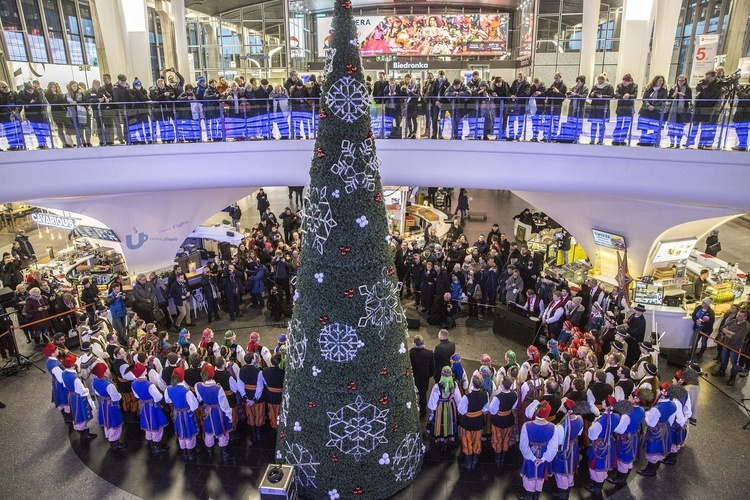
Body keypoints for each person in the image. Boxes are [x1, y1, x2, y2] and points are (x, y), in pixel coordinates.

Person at [638, 383, 682, 477]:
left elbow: (651, 423)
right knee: (660, 449)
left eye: (659, 389)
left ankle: (650, 470)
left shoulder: (657, 408)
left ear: (663, 392)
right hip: (665, 428)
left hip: (655, 431)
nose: (657, 390)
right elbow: (671, 419)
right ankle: (655, 468)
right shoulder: (673, 404)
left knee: (653, 450)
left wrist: (646, 415)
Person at [518, 401, 558, 500]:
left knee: (529, 474)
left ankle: (528, 496)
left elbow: (523, 445)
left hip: (530, 451)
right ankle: (536, 495)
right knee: (541, 473)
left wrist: (531, 457)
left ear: (536, 411)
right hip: (544, 452)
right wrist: (544, 458)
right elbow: (554, 447)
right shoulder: (553, 427)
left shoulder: (527, 425)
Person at [195, 364, 233, 463]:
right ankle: (225, 454)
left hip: (206, 411)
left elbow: (200, 399)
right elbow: (224, 404)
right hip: (218, 412)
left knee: (208, 432)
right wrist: (229, 415)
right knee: (222, 432)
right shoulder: (217, 388)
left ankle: (210, 452)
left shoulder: (198, 385)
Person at [609, 390, 648, 485]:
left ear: (635, 399)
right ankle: (625, 477)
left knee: (623, 459)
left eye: (630, 396)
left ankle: (620, 479)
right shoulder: (642, 410)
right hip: (634, 437)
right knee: (629, 459)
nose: (629, 397)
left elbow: (619, 429)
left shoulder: (627, 414)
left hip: (625, 439)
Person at [131, 362, 169, 455]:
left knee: (147, 426)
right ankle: (157, 446)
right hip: (153, 407)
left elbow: (136, 395)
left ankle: (150, 443)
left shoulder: (133, 383)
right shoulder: (149, 384)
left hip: (144, 406)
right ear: (143, 371)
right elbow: (158, 397)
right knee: (156, 425)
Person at [551, 399, 585, 499]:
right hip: (574, 447)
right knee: (571, 469)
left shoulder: (561, 426)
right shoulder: (579, 418)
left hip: (564, 450)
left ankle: (563, 492)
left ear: (566, 410)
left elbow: (558, 442)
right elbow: (579, 433)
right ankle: (569, 486)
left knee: (561, 472)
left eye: (563, 407)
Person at [163, 367, 199, 462]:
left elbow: (168, 400)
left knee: (181, 432)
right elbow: (194, 405)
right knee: (189, 432)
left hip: (177, 413)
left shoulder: (168, 389)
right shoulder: (186, 391)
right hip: (187, 414)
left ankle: (184, 453)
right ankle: (191, 454)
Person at [61, 353, 98, 443]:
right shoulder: (75, 378)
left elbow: (64, 384)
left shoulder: (64, 373)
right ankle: (84, 434)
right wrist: (87, 390)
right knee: (80, 414)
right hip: (79, 398)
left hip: (72, 396)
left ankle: (83, 431)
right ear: (73, 365)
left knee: (75, 413)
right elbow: (82, 390)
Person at [91, 362, 127, 451]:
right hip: (111, 405)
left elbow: (97, 392)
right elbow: (115, 397)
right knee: (114, 422)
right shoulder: (109, 384)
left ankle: (109, 436)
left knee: (107, 422)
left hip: (103, 404)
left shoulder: (94, 381)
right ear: (104, 372)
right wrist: (120, 395)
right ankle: (114, 442)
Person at [457, 374, 489, 469]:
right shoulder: (485, 394)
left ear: (472, 384)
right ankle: (474, 462)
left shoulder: (467, 397)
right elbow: (486, 408)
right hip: (479, 421)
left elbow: (461, 410)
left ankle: (468, 463)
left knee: (467, 442)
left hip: (467, 422)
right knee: (477, 441)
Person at [427, 366, 461, 450]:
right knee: (450, 420)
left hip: (440, 407)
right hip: (450, 406)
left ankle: (441, 437)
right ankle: (450, 435)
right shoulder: (454, 384)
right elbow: (458, 398)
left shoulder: (437, 386)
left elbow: (433, 401)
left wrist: (432, 410)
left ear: (442, 374)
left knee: (440, 421)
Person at [687, 70, 723, 149]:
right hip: (699, 107)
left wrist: (705, 89)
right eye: (706, 78)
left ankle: (703, 143)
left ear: (713, 77)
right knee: (695, 124)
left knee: (706, 126)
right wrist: (702, 85)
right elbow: (697, 89)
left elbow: (710, 96)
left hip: (709, 108)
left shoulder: (718, 85)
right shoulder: (705, 82)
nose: (707, 80)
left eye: (709, 78)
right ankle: (690, 141)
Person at [712, 310, 749, 386]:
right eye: (738, 315)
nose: (737, 316)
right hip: (726, 344)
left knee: (734, 363)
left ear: (745, 317)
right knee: (724, 359)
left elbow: (736, 337)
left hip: (735, 347)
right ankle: (722, 371)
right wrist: (730, 333)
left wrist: (727, 332)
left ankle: (732, 377)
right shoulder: (733, 321)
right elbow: (722, 328)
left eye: (740, 316)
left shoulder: (745, 327)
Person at [488, 376, 518, 469]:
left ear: (502, 385)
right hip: (509, 419)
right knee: (506, 439)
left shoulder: (497, 398)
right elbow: (513, 407)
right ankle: (503, 459)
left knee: (497, 439)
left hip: (498, 420)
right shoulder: (515, 394)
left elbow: (492, 411)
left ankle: (497, 460)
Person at [409, 335, 434, 419]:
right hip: (424, 378)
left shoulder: (411, 353)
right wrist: (429, 375)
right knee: (423, 396)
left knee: (413, 395)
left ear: (415, 343)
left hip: (414, 378)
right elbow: (432, 367)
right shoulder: (429, 353)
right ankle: (423, 412)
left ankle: (412, 411)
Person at [666, 74, 692, 148]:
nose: (680, 82)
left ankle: (678, 142)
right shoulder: (673, 88)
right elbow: (668, 99)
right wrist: (673, 95)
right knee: (672, 126)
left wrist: (683, 95)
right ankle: (671, 142)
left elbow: (689, 99)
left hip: (682, 110)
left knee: (680, 127)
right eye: (679, 80)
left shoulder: (687, 89)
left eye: (682, 81)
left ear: (685, 81)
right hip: (673, 110)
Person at [587, 74, 614, 145]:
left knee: (602, 125)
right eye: (599, 81)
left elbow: (611, 96)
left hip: (603, 108)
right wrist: (592, 94)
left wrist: (602, 96)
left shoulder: (609, 87)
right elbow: (589, 96)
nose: (600, 82)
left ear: (604, 80)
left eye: (601, 81)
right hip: (594, 108)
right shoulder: (595, 86)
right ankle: (592, 139)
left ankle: (600, 139)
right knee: (594, 124)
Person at [612, 74, 639, 145]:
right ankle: (616, 139)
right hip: (621, 107)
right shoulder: (619, 86)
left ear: (630, 81)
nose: (624, 83)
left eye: (626, 81)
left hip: (629, 108)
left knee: (626, 125)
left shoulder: (635, 86)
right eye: (623, 81)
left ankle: (622, 139)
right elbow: (616, 95)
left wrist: (629, 96)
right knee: (619, 124)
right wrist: (622, 96)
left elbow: (635, 96)